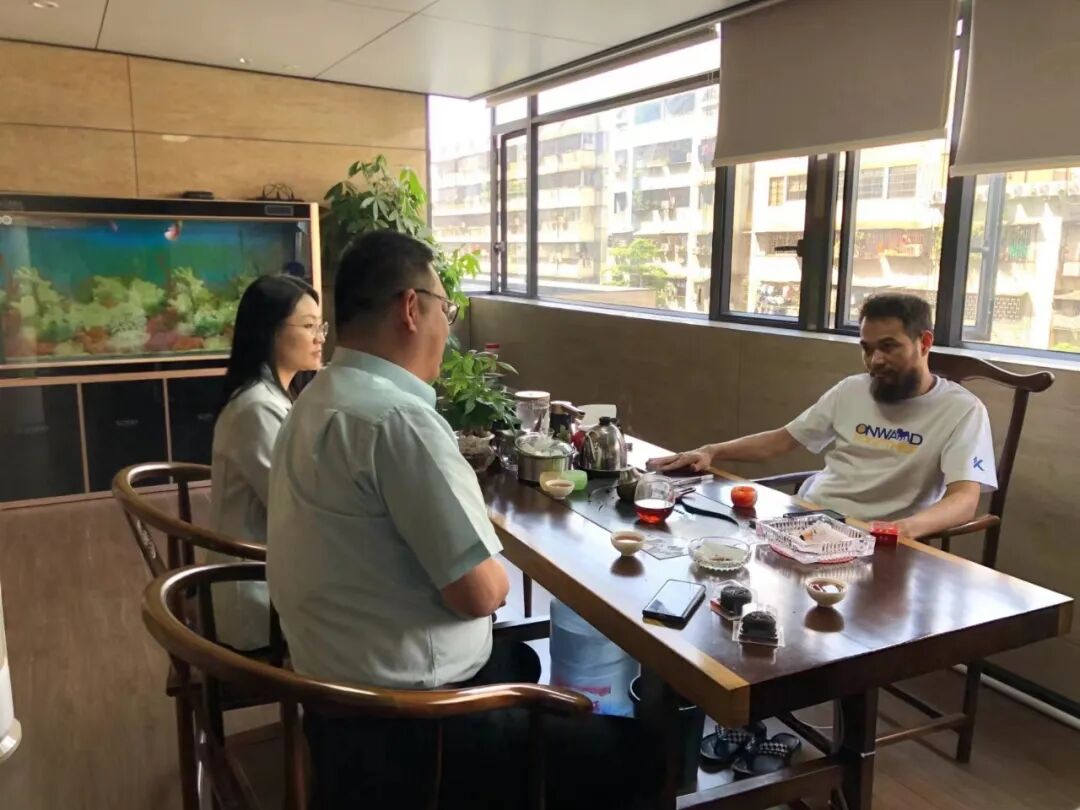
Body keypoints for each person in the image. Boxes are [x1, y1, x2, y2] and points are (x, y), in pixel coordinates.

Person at [266, 230, 659, 809]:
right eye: (445, 311)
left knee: (518, 657)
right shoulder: (396, 420)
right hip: (413, 729)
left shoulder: (316, 398)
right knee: (640, 756)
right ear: (410, 308)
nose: (446, 330)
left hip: (334, 699)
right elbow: (483, 593)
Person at [650, 293, 997, 538]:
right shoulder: (852, 390)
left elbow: (964, 500)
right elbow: (781, 441)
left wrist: (901, 530)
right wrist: (712, 450)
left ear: (924, 342)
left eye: (888, 347)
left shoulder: (962, 410)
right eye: (867, 349)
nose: (875, 361)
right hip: (808, 519)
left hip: (877, 538)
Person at [208, 274, 325, 651]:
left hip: (270, 572)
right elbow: (298, 508)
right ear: (270, 332)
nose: (320, 338)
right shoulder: (257, 408)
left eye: (320, 326)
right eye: (309, 326)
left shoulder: (272, 396)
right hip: (256, 601)